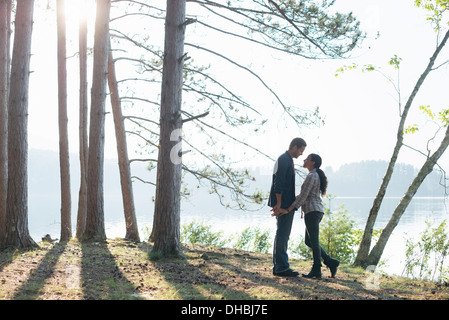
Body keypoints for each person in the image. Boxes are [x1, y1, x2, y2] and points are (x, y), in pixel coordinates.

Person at [272, 153, 340, 279]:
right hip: (314, 212)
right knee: (309, 241)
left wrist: (288, 209)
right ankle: (330, 262)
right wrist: (286, 205)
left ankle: (317, 269)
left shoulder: (312, 176)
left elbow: (303, 197)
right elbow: (302, 196)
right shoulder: (313, 175)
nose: (304, 159)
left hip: (313, 212)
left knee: (313, 241)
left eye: (307, 159)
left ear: (313, 162)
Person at [268, 138, 307, 277]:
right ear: (295, 147)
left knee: (282, 233)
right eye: (301, 150)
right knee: (283, 234)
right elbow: (279, 183)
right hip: (283, 203)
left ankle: (279, 266)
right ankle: (281, 267)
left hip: (285, 201)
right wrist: (278, 204)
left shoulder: (287, 160)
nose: (301, 154)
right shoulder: (284, 159)